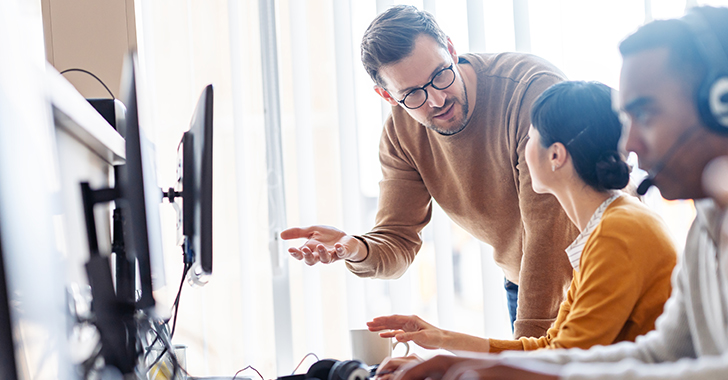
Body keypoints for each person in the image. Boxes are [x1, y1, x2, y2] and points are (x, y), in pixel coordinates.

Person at [391, 5, 728, 380]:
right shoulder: (706, 228)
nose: (629, 142)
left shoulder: (623, 229)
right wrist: (459, 357)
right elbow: (663, 353)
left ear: (721, 105)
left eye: (645, 115)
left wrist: (498, 371)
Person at [281, 5, 578, 338]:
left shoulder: (530, 90)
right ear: (386, 96)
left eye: (440, 75)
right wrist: (356, 248)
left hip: (599, 273)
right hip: (525, 283)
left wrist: (525, 347)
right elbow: (396, 242)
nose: (437, 100)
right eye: (412, 94)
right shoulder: (401, 136)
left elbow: (548, 227)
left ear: (451, 49)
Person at [368, 81, 677, 373]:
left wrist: (447, 366)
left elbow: (565, 359)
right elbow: (550, 347)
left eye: (530, 136)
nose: (524, 147)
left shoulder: (618, 232)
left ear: (555, 155)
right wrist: (441, 340)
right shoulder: (607, 226)